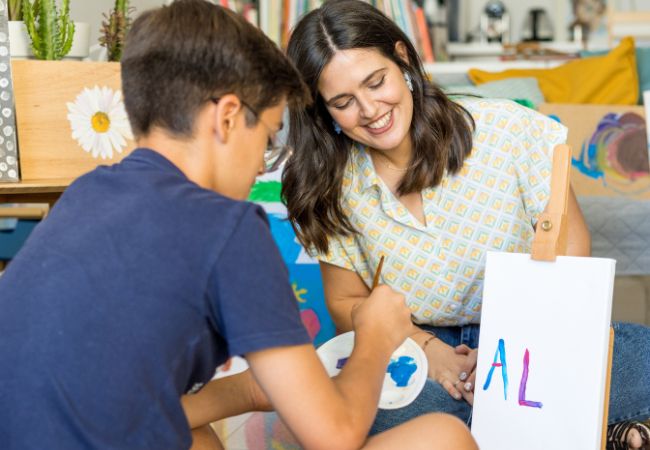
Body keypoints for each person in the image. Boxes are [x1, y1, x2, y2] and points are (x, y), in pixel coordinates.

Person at [0, 1, 478, 449]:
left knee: (197, 432)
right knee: (443, 436)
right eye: (269, 139)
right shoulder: (226, 228)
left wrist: (256, 389)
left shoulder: (84, 195)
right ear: (228, 117)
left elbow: (130, 399)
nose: (259, 168)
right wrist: (375, 336)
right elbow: (334, 435)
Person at [282, 1, 650, 449]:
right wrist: (429, 350)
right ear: (322, 110)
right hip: (418, 351)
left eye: (376, 82)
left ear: (402, 58)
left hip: (531, 334)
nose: (370, 110)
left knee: (640, 360)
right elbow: (344, 302)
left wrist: (513, 348)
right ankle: (582, 432)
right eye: (343, 102)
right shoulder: (331, 184)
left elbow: (572, 243)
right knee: (356, 412)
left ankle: (503, 429)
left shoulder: (507, 129)